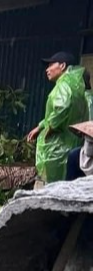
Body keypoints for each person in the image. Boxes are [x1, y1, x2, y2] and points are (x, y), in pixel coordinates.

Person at [27, 52, 89, 184]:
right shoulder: (75, 85)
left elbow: (62, 107)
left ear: (62, 66)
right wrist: (40, 126)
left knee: (55, 185)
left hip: (59, 145)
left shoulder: (64, 84)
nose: (47, 69)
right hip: (70, 143)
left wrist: (51, 127)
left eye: (50, 65)